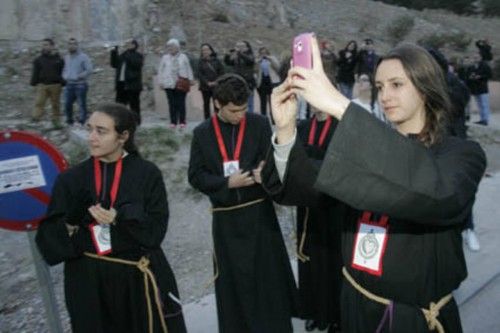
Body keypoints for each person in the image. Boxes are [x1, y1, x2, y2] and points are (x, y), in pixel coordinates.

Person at [264, 38, 486, 332]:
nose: (385, 96)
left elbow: (438, 192)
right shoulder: (365, 148)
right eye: (380, 87)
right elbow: (308, 183)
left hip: (413, 319)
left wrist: (338, 104)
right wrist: (285, 130)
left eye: (396, 84)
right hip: (354, 305)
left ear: (425, 87)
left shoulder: (461, 154)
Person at [35, 103, 186, 333]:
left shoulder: (147, 174)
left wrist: (119, 217)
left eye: (101, 131)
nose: (91, 138)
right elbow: (48, 242)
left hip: (135, 279)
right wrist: (70, 223)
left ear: (123, 136)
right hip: (88, 282)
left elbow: (156, 232)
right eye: (90, 129)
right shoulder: (70, 180)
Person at [188, 74, 298, 332]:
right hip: (227, 220)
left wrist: (265, 170)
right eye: (234, 110)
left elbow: (271, 157)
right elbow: (195, 176)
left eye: (244, 108)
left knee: (267, 277)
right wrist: (227, 184)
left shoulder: (258, 124)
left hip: (260, 214)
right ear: (217, 104)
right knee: (234, 281)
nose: (240, 115)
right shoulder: (202, 134)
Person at [294, 106, 343, 332]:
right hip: (308, 207)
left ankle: (335, 316)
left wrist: (310, 160)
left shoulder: (340, 127)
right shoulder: (302, 127)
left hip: (334, 206)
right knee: (310, 260)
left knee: (333, 262)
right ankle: (313, 311)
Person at [158, 38, 194, 129]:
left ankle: (182, 121)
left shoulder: (183, 57)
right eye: (169, 46)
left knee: (181, 103)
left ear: (177, 47)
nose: (171, 48)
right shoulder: (165, 57)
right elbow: (161, 70)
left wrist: (191, 79)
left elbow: (188, 68)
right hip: (168, 83)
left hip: (181, 82)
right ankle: (173, 121)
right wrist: (161, 82)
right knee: (172, 103)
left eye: (173, 46)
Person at [30, 38, 65, 128]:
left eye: (46, 45)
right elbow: (35, 72)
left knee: (55, 104)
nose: (44, 47)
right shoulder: (38, 59)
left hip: (56, 85)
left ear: (52, 46)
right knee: (39, 103)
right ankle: (35, 120)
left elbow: (63, 71)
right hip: (42, 85)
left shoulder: (59, 59)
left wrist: (63, 82)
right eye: (43, 45)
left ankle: (56, 122)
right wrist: (33, 83)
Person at [110, 38, 144, 124]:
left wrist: (128, 54)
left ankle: (136, 122)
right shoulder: (123, 55)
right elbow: (114, 64)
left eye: (130, 44)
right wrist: (114, 52)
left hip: (133, 85)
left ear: (134, 45)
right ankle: (120, 121)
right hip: (121, 84)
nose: (127, 45)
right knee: (120, 105)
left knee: (134, 105)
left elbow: (136, 64)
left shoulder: (138, 55)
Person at [62, 38, 93, 126]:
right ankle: (69, 121)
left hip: (80, 84)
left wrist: (79, 76)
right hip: (69, 84)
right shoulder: (67, 57)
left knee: (81, 104)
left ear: (77, 45)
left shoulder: (83, 57)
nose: (71, 46)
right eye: (70, 44)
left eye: (74, 44)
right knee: (67, 104)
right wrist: (65, 76)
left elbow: (89, 69)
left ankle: (82, 121)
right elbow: (65, 69)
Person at [224, 40, 256, 112]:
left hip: (248, 82)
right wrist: (227, 55)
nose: (239, 48)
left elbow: (250, 61)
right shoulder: (236, 57)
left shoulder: (250, 55)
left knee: (249, 102)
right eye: (238, 46)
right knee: (238, 101)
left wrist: (239, 53)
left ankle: (249, 118)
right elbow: (228, 62)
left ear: (247, 48)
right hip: (237, 82)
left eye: (242, 46)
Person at [198, 43, 225, 119]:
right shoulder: (200, 61)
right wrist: (207, 82)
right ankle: (207, 120)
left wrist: (216, 82)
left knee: (217, 104)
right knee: (206, 104)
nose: (205, 51)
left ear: (211, 50)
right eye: (203, 50)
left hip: (216, 86)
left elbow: (222, 72)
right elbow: (200, 74)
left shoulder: (217, 61)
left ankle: (218, 119)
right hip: (205, 87)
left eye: (207, 49)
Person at [465, 53, 492, 126]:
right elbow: (467, 76)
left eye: (477, 57)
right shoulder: (471, 67)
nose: (475, 59)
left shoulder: (485, 66)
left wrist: (480, 77)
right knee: (479, 105)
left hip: (483, 88)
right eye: (474, 57)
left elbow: (489, 75)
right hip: (475, 89)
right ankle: (482, 119)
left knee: (484, 104)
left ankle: (485, 119)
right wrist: (471, 77)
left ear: (480, 57)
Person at [256, 47, 281, 117]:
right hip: (262, 82)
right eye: (262, 53)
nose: (263, 54)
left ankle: (274, 117)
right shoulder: (258, 60)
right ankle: (263, 116)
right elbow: (255, 70)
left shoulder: (272, 58)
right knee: (263, 101)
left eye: (265, 53)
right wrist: (258, 61)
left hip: (272, 82)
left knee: (272, 101)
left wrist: (270, 59)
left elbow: (278, 68)